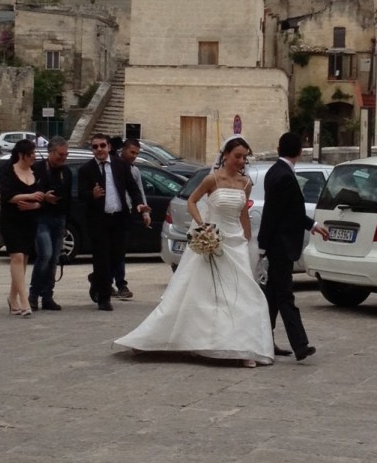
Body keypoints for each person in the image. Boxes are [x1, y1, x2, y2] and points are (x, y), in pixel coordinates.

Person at [114, 136, 274, 366]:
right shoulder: (212, 180)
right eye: (237, 156)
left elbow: (242, 215)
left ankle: (243, 346)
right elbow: (192, 202)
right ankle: (203, 341)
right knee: (208, 294)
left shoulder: (245, 183)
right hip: (214, 239)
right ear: (226, 155)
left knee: (244, 294)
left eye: (244, 157)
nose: (241, 161)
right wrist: (202, 225)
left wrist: (249, 243)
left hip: (235, 242)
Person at [257, 131, 329, 362]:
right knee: (285, 296)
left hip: (277, 244)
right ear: (300, 151)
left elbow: (287, 211)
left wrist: (313, 224)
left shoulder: (274, 172)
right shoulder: (285, 176)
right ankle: (300, 344)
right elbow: (274, 213)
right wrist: (263, 244)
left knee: (273, 296)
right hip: (281, 245)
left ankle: (263, 340)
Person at [77, 133, 144, 312]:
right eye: (95, 147)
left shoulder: (120, 165)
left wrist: (139, 204)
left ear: (109, 147)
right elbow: (81, 194)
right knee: (102, 259)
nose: (99, 149)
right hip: (99, 221)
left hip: (119, 218)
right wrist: (92, 195)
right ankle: (104, 298)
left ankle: (96, 278)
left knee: (117, 257)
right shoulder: (86, 170)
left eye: (102, 146)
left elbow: (133, 188)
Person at [0, 138, 44, 316]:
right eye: (30, 154)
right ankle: (25, 302)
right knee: (16, 256)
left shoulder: (36, 172)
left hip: (29, 221)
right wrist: (30, 195)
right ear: (21, 155)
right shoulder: (8, 171)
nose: (34, 156)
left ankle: (12, 297)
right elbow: (7, 196)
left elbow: (42, 199)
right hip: (11, 220)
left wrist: (36, 204)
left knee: (23, 259)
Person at [28, 136, 71, 311]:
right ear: (51, 152)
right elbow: (32, 192)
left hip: (59, 218)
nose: (63, 158)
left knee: (53, 259)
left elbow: (68, 197)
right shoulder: (37, 169)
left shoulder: (66, 173)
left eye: (66, 154)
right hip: (41, 219)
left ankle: (48, 296)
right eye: (60, 154)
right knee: (45, 254)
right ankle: (33, 295)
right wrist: (45, 198)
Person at [111, 137, 151, 300]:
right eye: (132, 152)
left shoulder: (134, 171)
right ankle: (108, 281)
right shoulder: (112, 166)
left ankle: (119, 283)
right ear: (124, 150)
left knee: (120, 250)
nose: (134, 156)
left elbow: (139, 191)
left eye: (136, 153)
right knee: (111, 251)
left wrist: (145, 212)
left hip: (127, 213)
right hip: (112, 212)